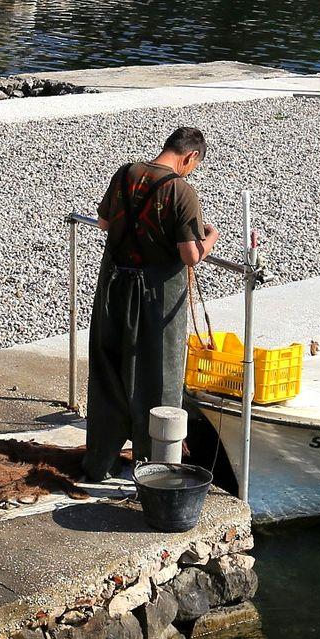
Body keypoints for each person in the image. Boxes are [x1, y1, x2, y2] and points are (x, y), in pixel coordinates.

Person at [82, 126, 219, 481]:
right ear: (190, 157)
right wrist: (210, 238)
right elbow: (190, 256)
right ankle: (152, 466)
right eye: (194, 165)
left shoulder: (126, 173)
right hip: (156, 296)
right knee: (157, 376)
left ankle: (100, 461)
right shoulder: (181, 190)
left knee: (109, 370)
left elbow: (103, 222)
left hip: (113, 287)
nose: (191, 171)